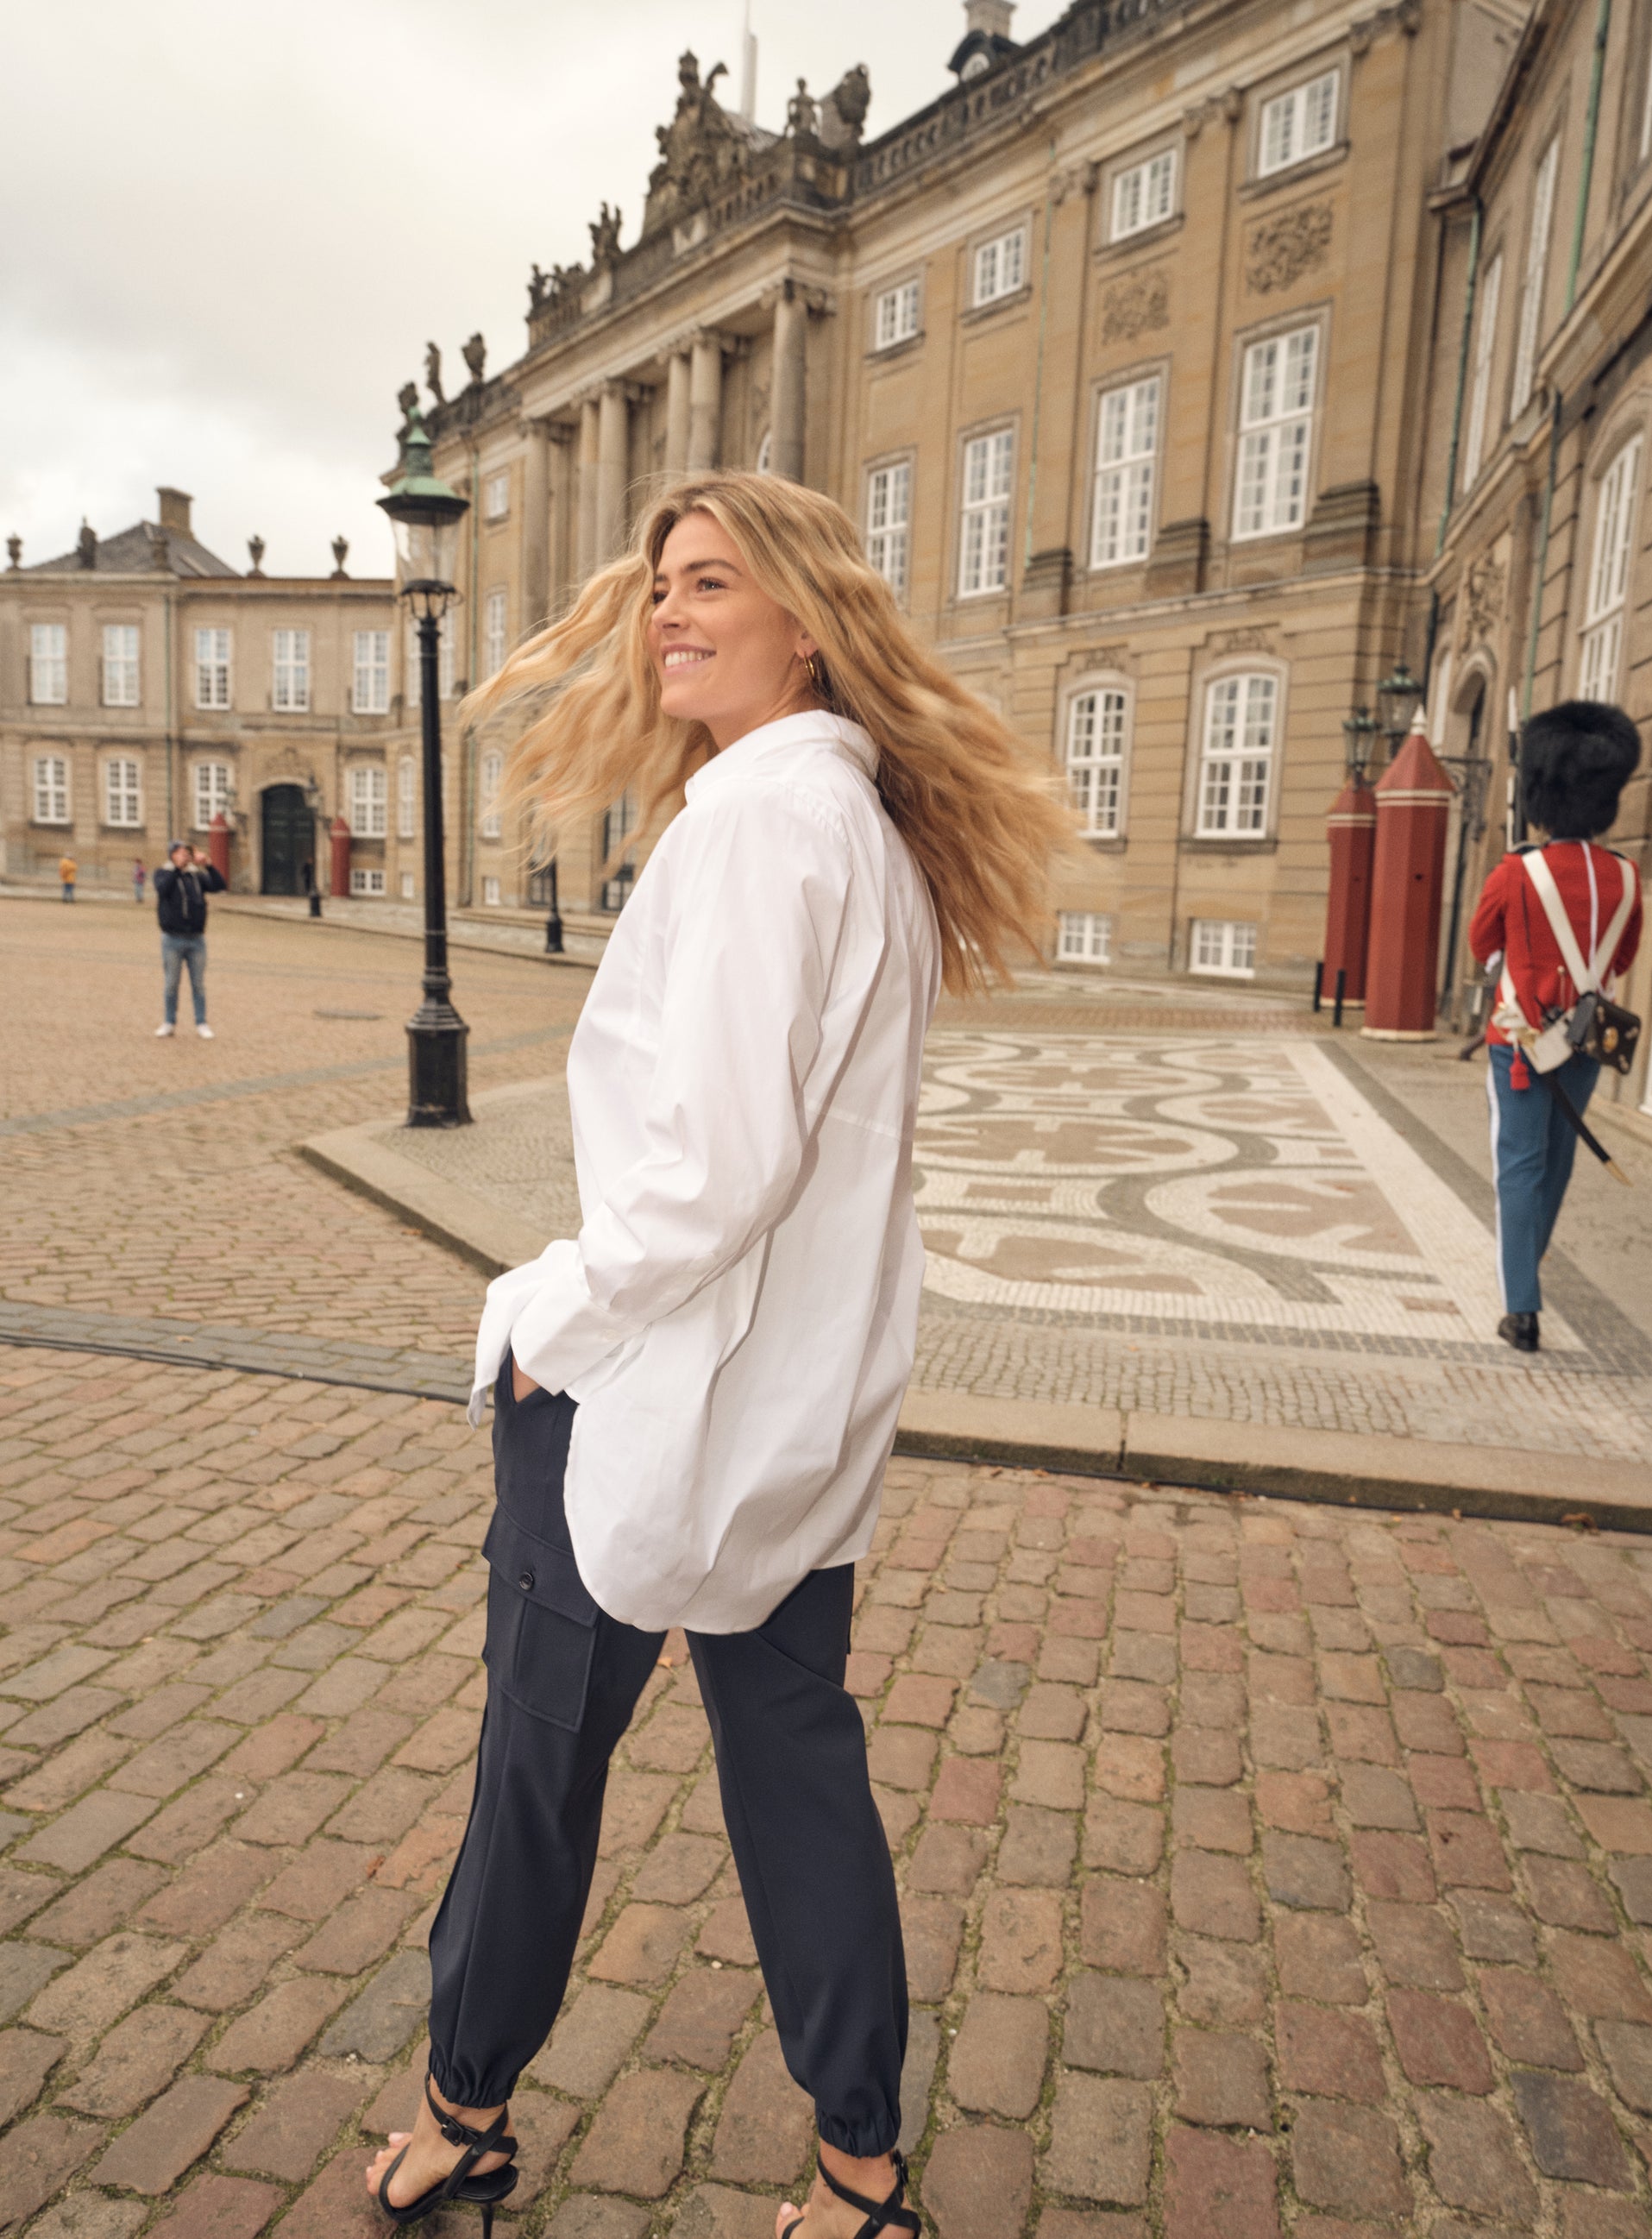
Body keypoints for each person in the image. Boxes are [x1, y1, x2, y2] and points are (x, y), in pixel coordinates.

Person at [363, 472, 1071, 2239]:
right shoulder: (858, 831)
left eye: (705, 583)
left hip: (647, 1393)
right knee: (793, 1770)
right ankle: (857, 2169)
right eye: (658, 583)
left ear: (807, 618)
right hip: (792, 1418)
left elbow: (715, 1169)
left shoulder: (762, 826)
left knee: (534, 1769)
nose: (662, 613)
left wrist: (546, 1316)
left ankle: (464, 2105)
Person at [1471, 700, 1643, 1352]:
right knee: (1559, 1160)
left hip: (1519, 1039)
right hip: (1586, 1042)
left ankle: (1522, 1309)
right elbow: (1621, 959)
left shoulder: (1517, 871)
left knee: (1518, 1165)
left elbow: (1478, 939)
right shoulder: (1627, 876)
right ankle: (1527, 1274)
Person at [153, 840, 226, 1040]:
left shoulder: (197, 877)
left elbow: (220, 885)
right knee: (171, 983)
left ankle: (201, 1022)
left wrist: (209, 864)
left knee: (199, 984)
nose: (184, 856)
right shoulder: (163, 873)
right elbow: (162, 889)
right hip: (172, 939)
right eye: (179, 852)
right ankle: (169, 1022)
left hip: (196, 939)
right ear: (172, 855)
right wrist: (177, 869)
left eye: (186, 852)